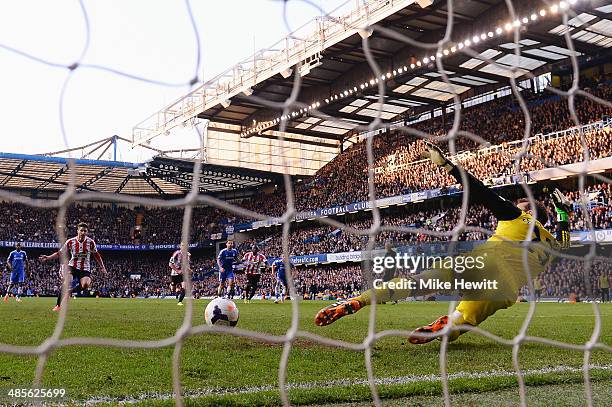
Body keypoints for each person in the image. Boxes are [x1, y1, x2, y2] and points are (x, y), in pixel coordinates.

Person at [315, 141, 570, 344]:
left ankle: (358, 301)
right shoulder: (551, 246)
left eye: (521, 205)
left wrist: (447, 165)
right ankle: (446, 326)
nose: (517, 206)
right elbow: (565, 242)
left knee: (416, 283)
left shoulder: (519, 217)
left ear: (528, 211)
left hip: (485, 262)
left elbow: (480, 190)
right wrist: (563, 215)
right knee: (462, 319)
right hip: (506, 292)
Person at [39, 222, 107, 312]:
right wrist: (48, 257)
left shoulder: (91, 242)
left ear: (87, 232)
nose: (83, 233)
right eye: (81, 230)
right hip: (72, 267)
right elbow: (60, 253)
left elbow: (96, 255)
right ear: (77, 231)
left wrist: (102, 267)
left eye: (85, 231)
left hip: (85, 269)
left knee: (85, 284)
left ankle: (69, 292)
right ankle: (58, 305)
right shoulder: (71, 242)